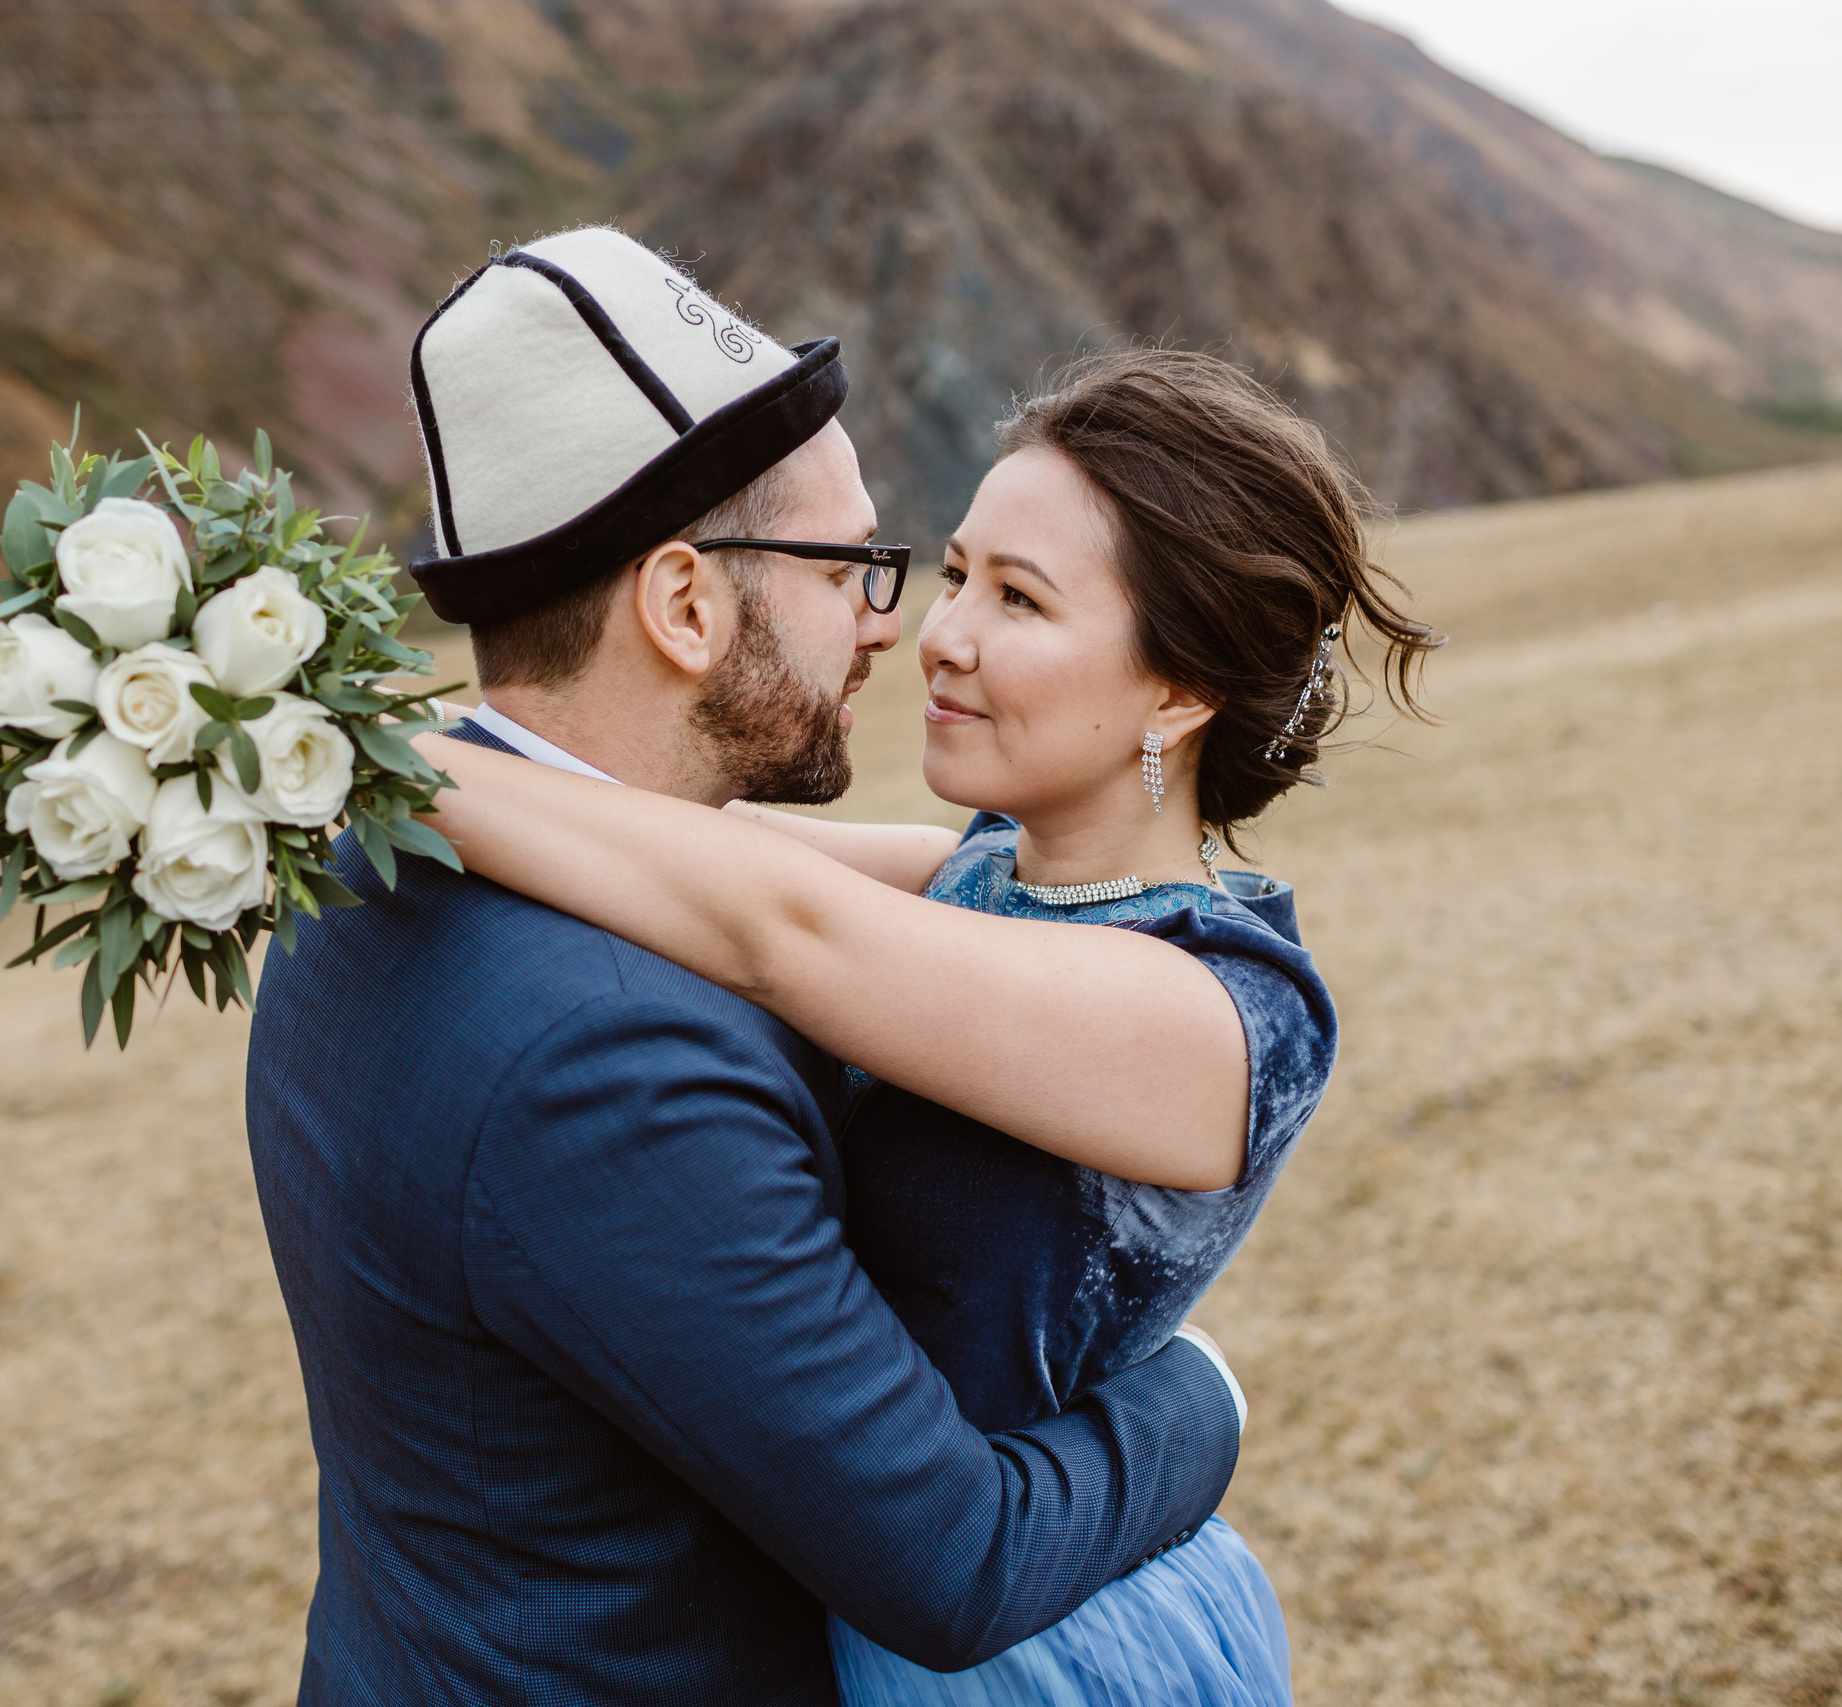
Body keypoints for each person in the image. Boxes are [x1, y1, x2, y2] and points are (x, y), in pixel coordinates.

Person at [245, 228, 1250, 1707]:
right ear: (684, 605)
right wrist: (1199, 1399)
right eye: (854, 566)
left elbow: (874, 895)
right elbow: (952, 1561)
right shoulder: (606, 1063)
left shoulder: (374, 858)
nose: (892, 624)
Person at [404, 346, 1441, 1705]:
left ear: (1180, 690)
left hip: (1044, 1645)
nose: (942, 635)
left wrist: (374, 761)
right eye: (959, 573)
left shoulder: (1217, 1011)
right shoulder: (979, 871)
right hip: (912, 1612)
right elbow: (680, 844)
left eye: (1019, 599)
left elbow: (776, 926)